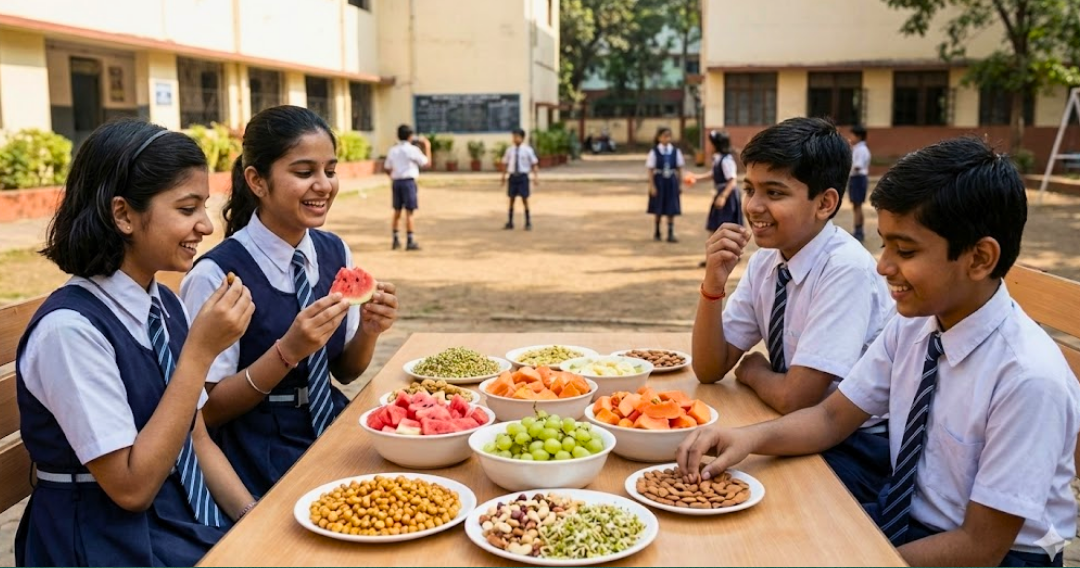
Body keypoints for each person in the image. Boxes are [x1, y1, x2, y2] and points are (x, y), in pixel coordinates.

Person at [679, 137, 1078, 567]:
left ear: (979, 258)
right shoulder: (915, 324)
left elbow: (979, 547)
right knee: (758, 535)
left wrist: (858, 557)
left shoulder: (1026, 378)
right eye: (884, 244)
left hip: (993, 556)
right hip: (906, 514)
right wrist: (746, 438)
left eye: (904, 251)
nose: (883, 265)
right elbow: (831, 416)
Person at [15, 119, 256, 567]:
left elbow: (197, 439)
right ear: (123, 214)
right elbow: (131, 489)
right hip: (100, 539)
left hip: (172, 517)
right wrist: (200, 354)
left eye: (204, 206)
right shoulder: (70, 332)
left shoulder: (162, 301)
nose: (205, 225)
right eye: (187, 209)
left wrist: (253, 518)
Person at [180, 105, 399, 499]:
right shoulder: (216, 275)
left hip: (330, 428)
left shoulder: (334, 251)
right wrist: (287, 351)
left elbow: (345, 373)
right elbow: (205, 411)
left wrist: (369, 330)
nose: (324, 185)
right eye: (304, 173)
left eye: (330, 171)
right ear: (257, 181)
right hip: (255, 450)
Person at [692, 117, 893, 503]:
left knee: (760, 501)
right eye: (750, 188)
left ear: (825, 203)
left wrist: (754, 370)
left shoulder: (843, 268)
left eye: (774, 192)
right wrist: (713, 285)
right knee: (698, 465)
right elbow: (709, 367)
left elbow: (796, 398)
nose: (753, 206)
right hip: (789, 425)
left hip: (854, 446)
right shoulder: (767, 263)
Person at [383, 124, 430, 251]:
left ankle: (395, 239)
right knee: (409, 212)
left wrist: (393, 176)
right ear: (410, 136)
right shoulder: (412, 149)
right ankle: (410, 240)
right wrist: (427, 146)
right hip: (408, 182)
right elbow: (426, 163)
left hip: (397, 182)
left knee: (397, 211)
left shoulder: (393, 150)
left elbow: (387, 167)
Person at [646, 127, 685, 242]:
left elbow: (680, 168)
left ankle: (670, 232)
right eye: (664, 136)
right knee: (658, 205)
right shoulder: (654, 152)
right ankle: (657, 231)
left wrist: (680, 184)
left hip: (671, 181)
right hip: (659, 181)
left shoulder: (675, 151)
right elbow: (650, 170)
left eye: (669, 136)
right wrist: (651, 185)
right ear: (659, 138)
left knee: (671, 206)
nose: (667, 138)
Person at [501, 128, 539, 230]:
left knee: (524, 199)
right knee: (511, 199)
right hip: (513, 176)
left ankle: (527, 222)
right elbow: (505, 163)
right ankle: (510, 222)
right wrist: (503, 177)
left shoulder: (527, 150)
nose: (515, 139)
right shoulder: (510, 150)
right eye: (513, 137)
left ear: (522, 138)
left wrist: (535, 177)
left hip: (523, 176)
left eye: (517, 137)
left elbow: (534, 164)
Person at [848, 125, 871, 242]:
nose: (850, 137)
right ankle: (858, 230)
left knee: (858, 206)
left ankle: (859, 231)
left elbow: (857, 166)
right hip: (856, 178)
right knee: (856, 206)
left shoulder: (861, 150)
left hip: (858, 178)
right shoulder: (856, 148)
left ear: (859, 136)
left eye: (852, 135)